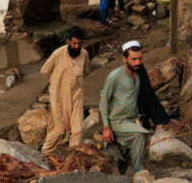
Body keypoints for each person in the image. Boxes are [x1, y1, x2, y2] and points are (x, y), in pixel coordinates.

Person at [99, 40, 168, 175]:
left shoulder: (140, 74)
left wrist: (159, 118)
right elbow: (103, 101)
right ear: (124, 59)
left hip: (131, 120)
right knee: (140, 134)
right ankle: (139, 171)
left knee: (122, 160)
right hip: (116, 121)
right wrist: (106, 127)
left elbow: (148, 96)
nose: (137, 62)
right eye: (133, 59)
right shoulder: (115, 76)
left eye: (140, 59)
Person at [39, 27, 89, 155]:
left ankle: (73, 156)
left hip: (76, 95)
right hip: (59, 96)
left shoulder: (84, 54)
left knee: (77, 129)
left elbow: (86, 71)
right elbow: (45, 70)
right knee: (60, 129)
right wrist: (56, 82)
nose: (76, 46)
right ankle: (45, 152)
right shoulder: (58, 54)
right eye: (74, 43)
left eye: (79, 43)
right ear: (68, 41)